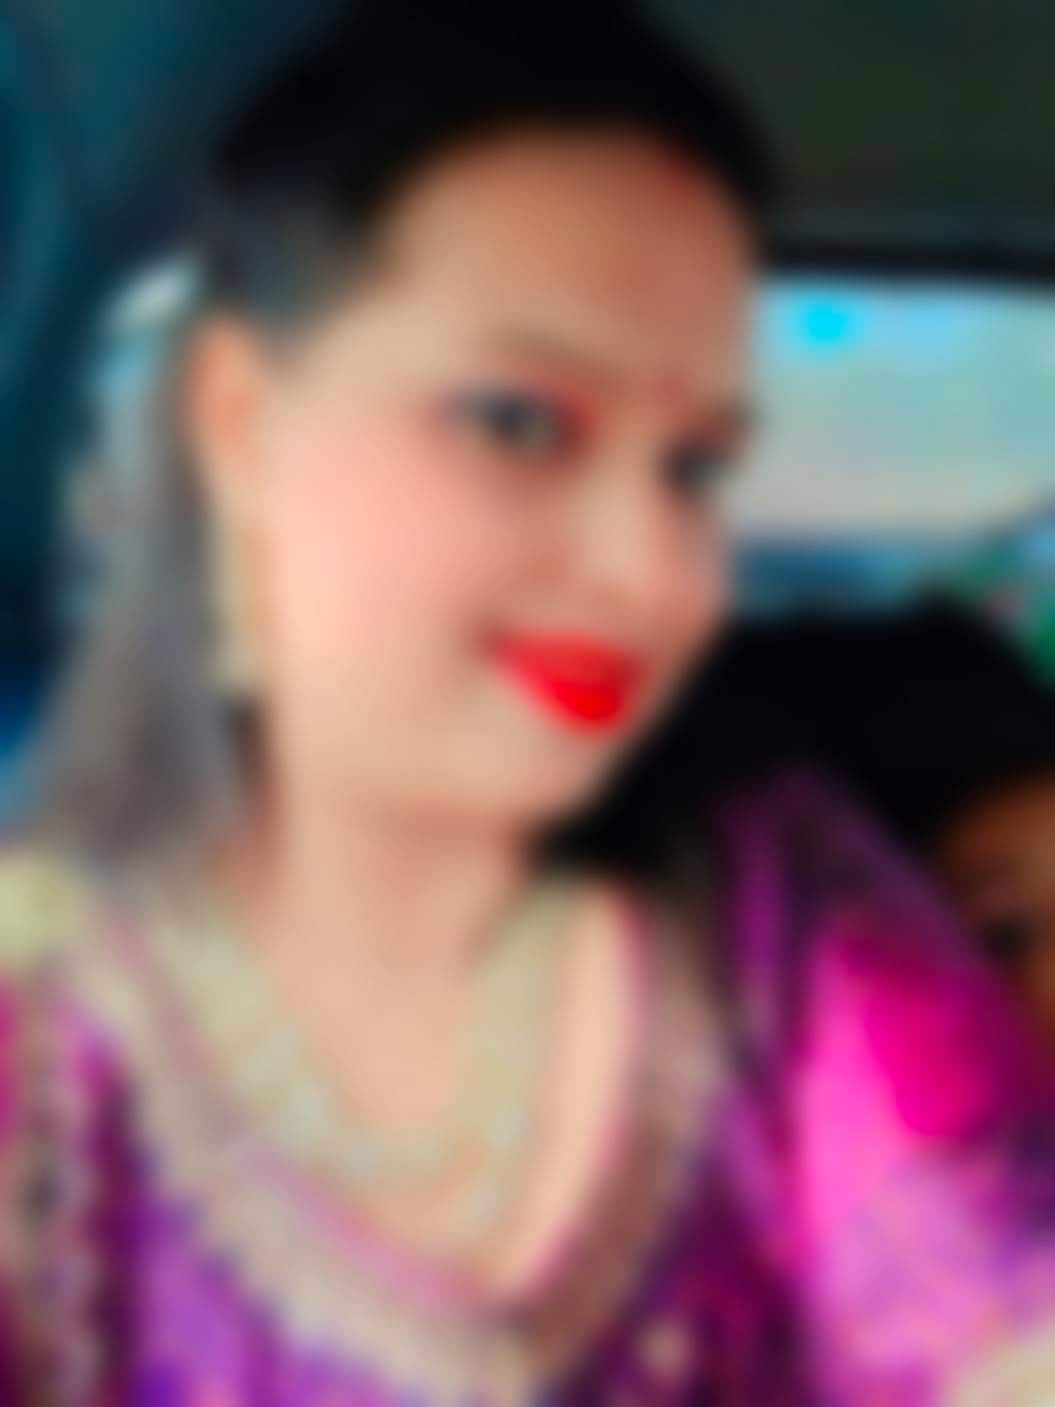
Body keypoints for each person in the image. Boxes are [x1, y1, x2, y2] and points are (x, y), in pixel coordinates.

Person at [3, 3, 1055, 1402]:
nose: (654, 567)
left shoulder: (789, 915)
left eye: (691, 466)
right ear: (243, 425)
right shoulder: (48, 1003)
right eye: (516, 421)